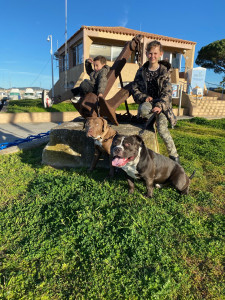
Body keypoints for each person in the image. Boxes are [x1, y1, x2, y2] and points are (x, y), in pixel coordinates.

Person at [131, 40, 179, 163]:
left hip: (161, 105)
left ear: (160, 54)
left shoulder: (164, 72)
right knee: (143, 112)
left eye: (155, 53)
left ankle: (174, 157)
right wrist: (143, 97)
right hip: (148, 102)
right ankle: (144, 155)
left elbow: (167, 92)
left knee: (163, 130)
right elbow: (134, 88)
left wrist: (159, 106)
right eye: (150, 53)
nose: (153, 56)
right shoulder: (141, 71)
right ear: (147, 54)